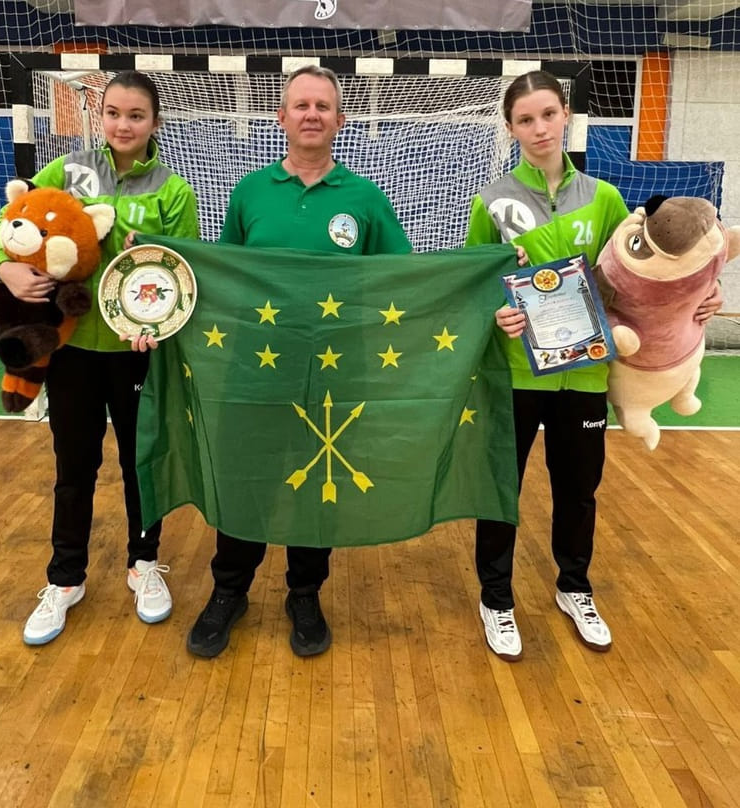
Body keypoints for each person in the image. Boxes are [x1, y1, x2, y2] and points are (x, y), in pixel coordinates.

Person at [466, 71, 724, 661]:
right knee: (501, 488)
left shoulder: (605, 199)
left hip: (584, 373)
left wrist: (704, 296)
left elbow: (639, 278)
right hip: (516, 373)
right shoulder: (492, 201)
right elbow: (474, 280)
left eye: (548, 114)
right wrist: (495, 313)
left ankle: (575, 587)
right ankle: (496, 597)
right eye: (525, 119)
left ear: (566, 116)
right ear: (510, 128)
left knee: (578, 489)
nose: (539, 128)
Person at [187, 64, 412, 660]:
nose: (312, 114)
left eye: (323, 106)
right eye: (302, 105)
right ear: (281, 116)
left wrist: (489, 272)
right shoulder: (250, 192)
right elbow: (222, 276)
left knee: (319, 482)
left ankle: (305, 594)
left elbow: (404, 275)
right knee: (247, 477)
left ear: (340, 119)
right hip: (255, 368)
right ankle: (228, 591)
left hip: (334, 372)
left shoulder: (365, 198)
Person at [0, 70, 199, 645]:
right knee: (74, 466)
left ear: (154, 123)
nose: (123, 125)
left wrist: (159, 321)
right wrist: (5, 268)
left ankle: (144, 563)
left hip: (137, 355)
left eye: (136, 115)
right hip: (74, 350)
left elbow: (186, 270)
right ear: (99, 116)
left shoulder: (174, 192)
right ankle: (65, 579)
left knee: (140, 463)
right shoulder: (66, 171)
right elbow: (7, 226)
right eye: (114, 113)